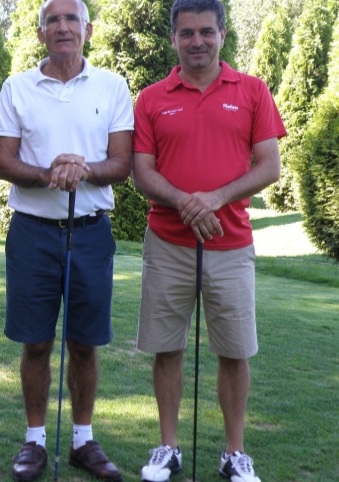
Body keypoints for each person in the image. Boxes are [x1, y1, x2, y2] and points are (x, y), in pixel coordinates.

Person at [132, 1, 286, 481]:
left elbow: (269, 165)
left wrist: (213, 198)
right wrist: (186, 202)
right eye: (186, 33)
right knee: (167, 348)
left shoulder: (253, 91)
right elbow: (142, 172)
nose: (196, 41)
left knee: (235, 351)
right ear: (173, 38)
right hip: (167, 243)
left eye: (205, 32)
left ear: (222, 34)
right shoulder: (152, 97)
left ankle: (234, 453)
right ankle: (167, 447)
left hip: (232, 242)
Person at [0, 0, 133, 480]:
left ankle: (82, 439)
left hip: (91, 233)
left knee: (85, 344)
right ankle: (34, 441)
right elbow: (4, 163)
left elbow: (122, 163)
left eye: (71, 19)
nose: (63, 27)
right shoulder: (17, 87)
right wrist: (50, 172)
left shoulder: (112, 86)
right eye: (52, 20)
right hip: (33, 233)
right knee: (34, 343)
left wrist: (85, 169)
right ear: (40, 34)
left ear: (88, 29)